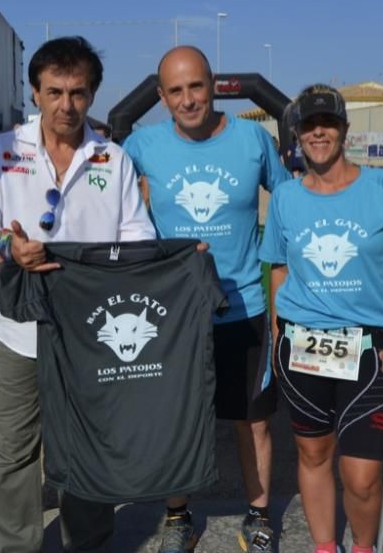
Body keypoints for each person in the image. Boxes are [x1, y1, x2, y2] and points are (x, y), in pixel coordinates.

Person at [0, 36, 155, 553]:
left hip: (89, 339)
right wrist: (6, 243)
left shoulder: (113, 159)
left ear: (92, 94)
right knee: (13, 457)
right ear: (35, 93)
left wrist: (168, 263)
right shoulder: (2, 152)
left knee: (87, 453)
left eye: (78, 93)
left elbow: (138, 236)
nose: (66, 105)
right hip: (16, 334)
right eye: (54, 92)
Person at [122, 45, 290, 553]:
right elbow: (101, 201)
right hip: (175, 314)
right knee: (178, 421)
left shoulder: (252, 139)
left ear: (214, 84)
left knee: (254, 421)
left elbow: (288, 206)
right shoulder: (140, 144)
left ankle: (258, 515)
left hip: (245, 308)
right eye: (176, 90)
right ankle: (179, 517)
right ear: (161, 97)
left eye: (196, 86)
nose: (188, 99)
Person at [259, 85, 383, 553]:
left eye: (328, 123)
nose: (318, 132)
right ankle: (325, 545)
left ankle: (362, 546)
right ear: (297, 134)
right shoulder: (285, 197)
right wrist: (279, 331)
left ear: (344, 129)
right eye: (308, 125)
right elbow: (278, 266)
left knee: (361, 475)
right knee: (313, 453)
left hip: (370, 347)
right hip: (304, 344)